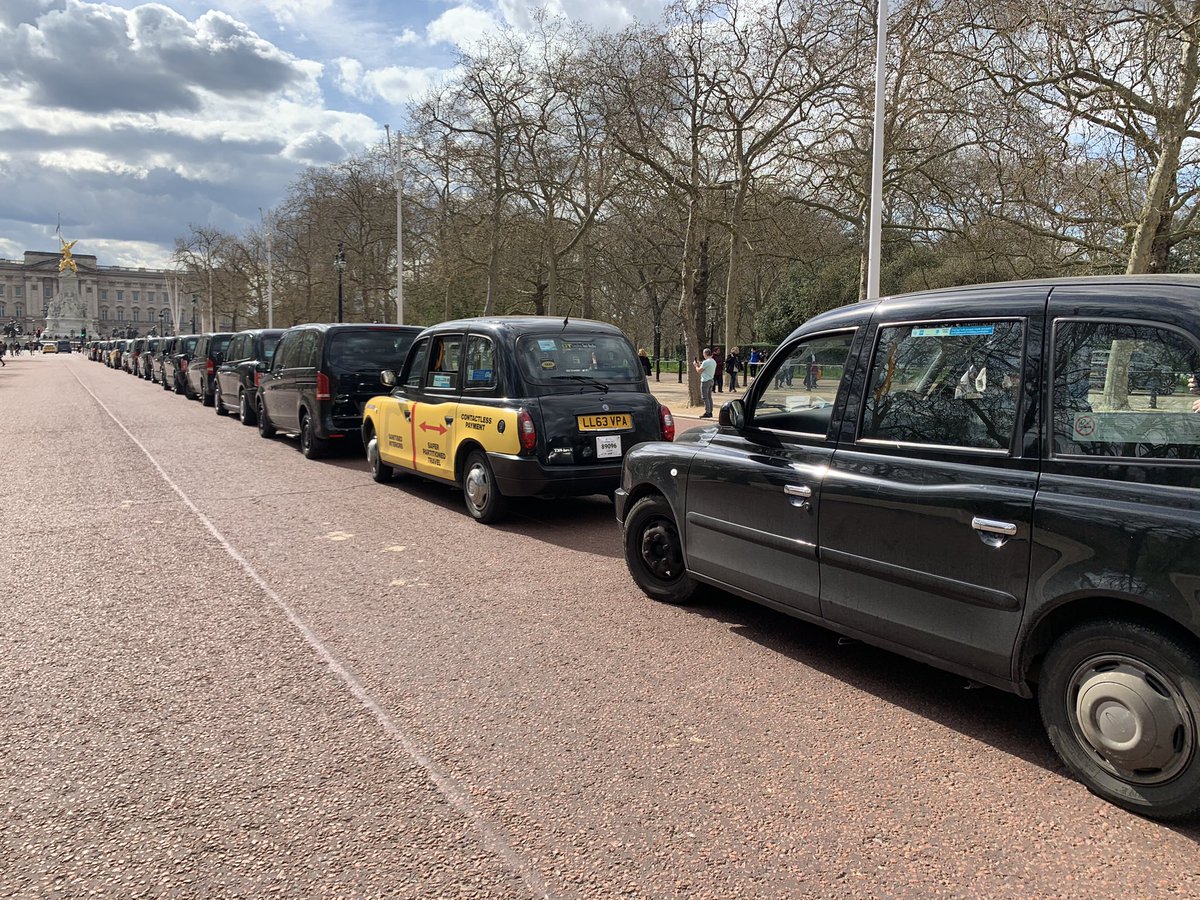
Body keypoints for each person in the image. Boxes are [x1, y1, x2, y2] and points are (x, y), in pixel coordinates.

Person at [694, 348, 716, 417]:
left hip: (705, 381)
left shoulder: (706, 362)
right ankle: (710, 411)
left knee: (705, 397)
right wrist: (699, 364)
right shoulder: (713, 361)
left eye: (703, 354)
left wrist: (696, 366)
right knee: (709, 397)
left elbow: (699, 371)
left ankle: (708, 412)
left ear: (705, 354)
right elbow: (704, 368)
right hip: (711, 379)